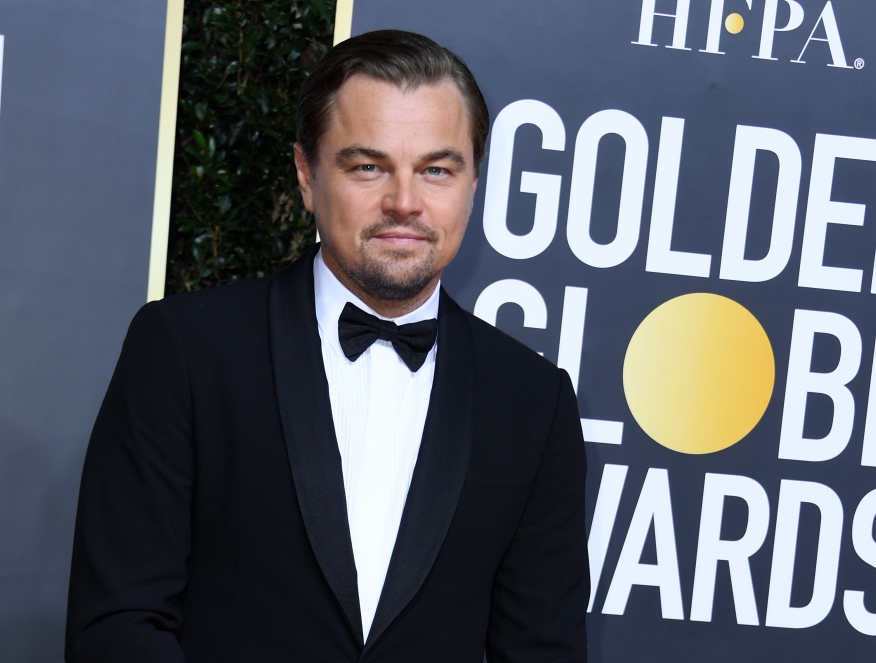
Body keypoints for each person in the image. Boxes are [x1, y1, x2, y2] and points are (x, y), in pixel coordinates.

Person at [65, 29, 588, 662]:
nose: (405, 203)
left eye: (436, 170)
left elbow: (541, 651)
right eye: (368, 166)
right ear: (307, 176)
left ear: (473, 184)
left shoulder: (533, 403)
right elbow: (118, 625)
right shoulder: (187, 350)